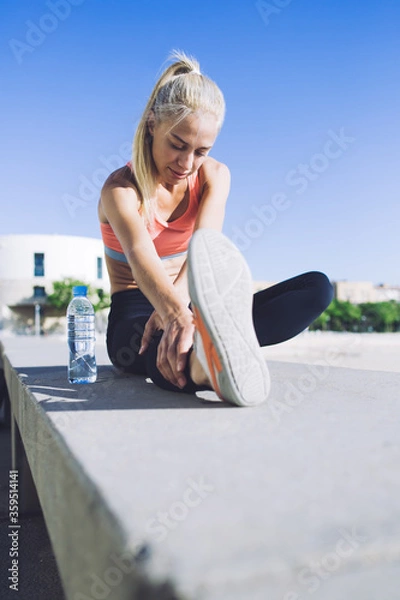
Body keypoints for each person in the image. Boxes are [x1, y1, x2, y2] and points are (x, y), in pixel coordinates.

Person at [98, 50, 333, 407]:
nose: (186, 163)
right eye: (177, 145)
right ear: (151, 124)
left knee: (316, 288)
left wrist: (184, 314)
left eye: (200, 151)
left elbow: (203, 254)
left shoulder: (215, 177)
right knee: (157, 346)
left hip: (195, 299)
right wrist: (172, 314)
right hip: (136, 308)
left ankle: (212, 347)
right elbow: (140, 257)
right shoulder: (120, 190)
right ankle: (202, 367)